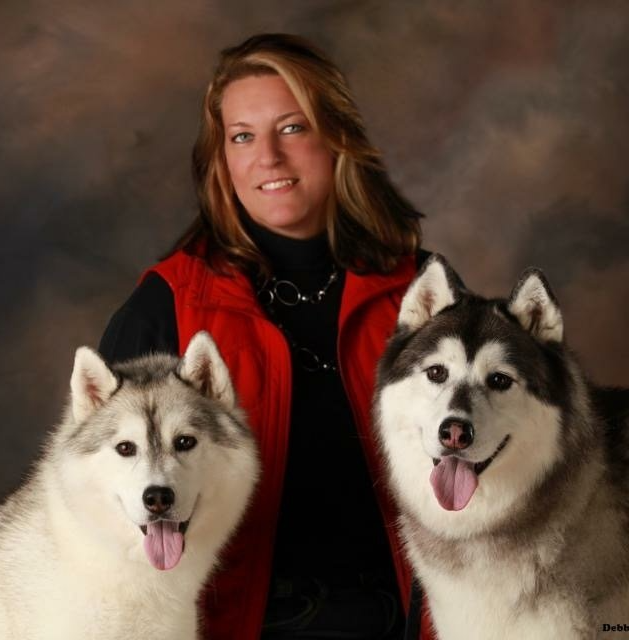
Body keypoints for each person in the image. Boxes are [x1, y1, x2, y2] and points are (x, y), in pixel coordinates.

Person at [100, 33, 434, 640]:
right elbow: (102, 508)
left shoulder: (423, 293)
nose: (269, 158)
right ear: (221, 160)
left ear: (337, 138)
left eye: (292, 128)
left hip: (416, 619)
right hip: (246, 626)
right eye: (243, 137)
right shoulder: (168, 307)